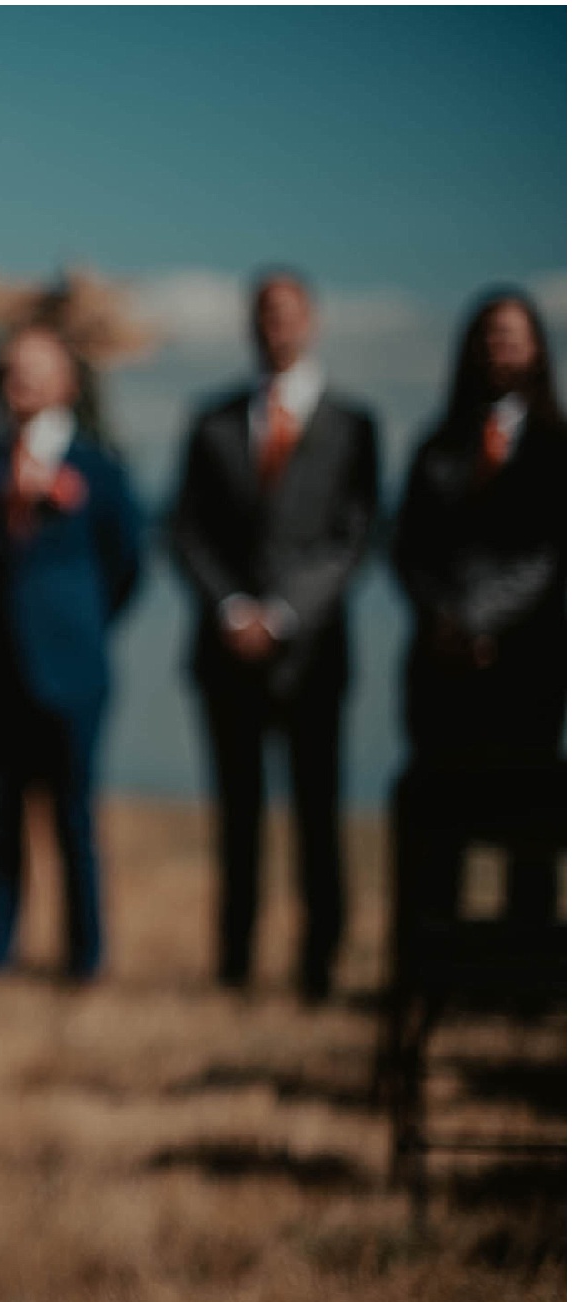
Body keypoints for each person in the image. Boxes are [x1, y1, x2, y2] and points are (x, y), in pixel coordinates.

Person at [170, 269, 381, 1002]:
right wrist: (231, 608)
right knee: (238, 823)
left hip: (314, 656)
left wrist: (285, 613)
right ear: (249, 323)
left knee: (319, 822)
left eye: (288, 314)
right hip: (225, 655)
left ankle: (319, 969)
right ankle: (234, 966)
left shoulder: (353, 425)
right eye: (264, 314)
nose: (275, 327)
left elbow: (353, 538)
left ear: (311, 322)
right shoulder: (213, 421)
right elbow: (186, 528)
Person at [0, 326, 143, 980]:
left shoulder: (101, 470)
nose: (19, 379)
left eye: (36, 367)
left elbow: (126, 564)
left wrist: (78, 627)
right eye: (10, 368)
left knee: (75, 821)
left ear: (68, 383)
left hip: (74, 672)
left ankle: (85, 959)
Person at [391, 290, 566, 930]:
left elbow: (550, 554)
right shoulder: (438, 443)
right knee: (441, 816)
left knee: (528, 823)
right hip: (440, 666)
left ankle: (523, 972)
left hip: (527, 666)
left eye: (514, 335)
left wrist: (485, 623)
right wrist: (445, 620)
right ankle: (435, 966)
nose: (500, 348)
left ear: (538, 349)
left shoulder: (557, 446)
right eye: (489, 336)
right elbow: (407, 545)